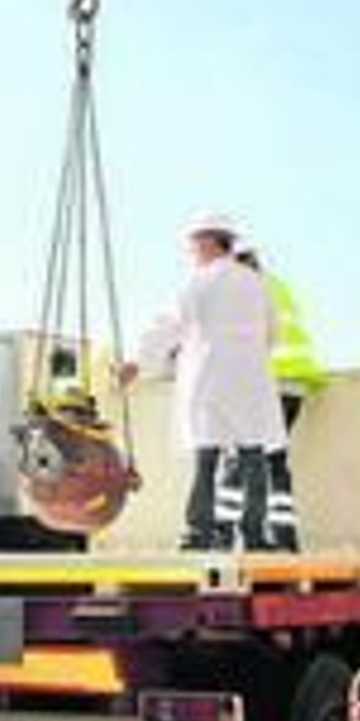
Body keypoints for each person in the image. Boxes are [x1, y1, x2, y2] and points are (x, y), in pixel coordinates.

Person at [128, 214, 285, 550]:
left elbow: (169, 326)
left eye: (194, 244)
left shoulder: (198, 282)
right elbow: (274, 332)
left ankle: (198, 533)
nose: (191, 251)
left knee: (207, 457)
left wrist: (137, 363)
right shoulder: (257, 282)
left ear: (210, 241)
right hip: (250, 380)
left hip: (209, 378)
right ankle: (254, 535)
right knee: (252, 453)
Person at [234, 244, 326, 551]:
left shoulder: (245, 290)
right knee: (275, 460)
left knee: (247, 459)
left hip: (268, 383)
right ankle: (286, 538)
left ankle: (247, 536)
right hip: (293, 383)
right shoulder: (276, 285)